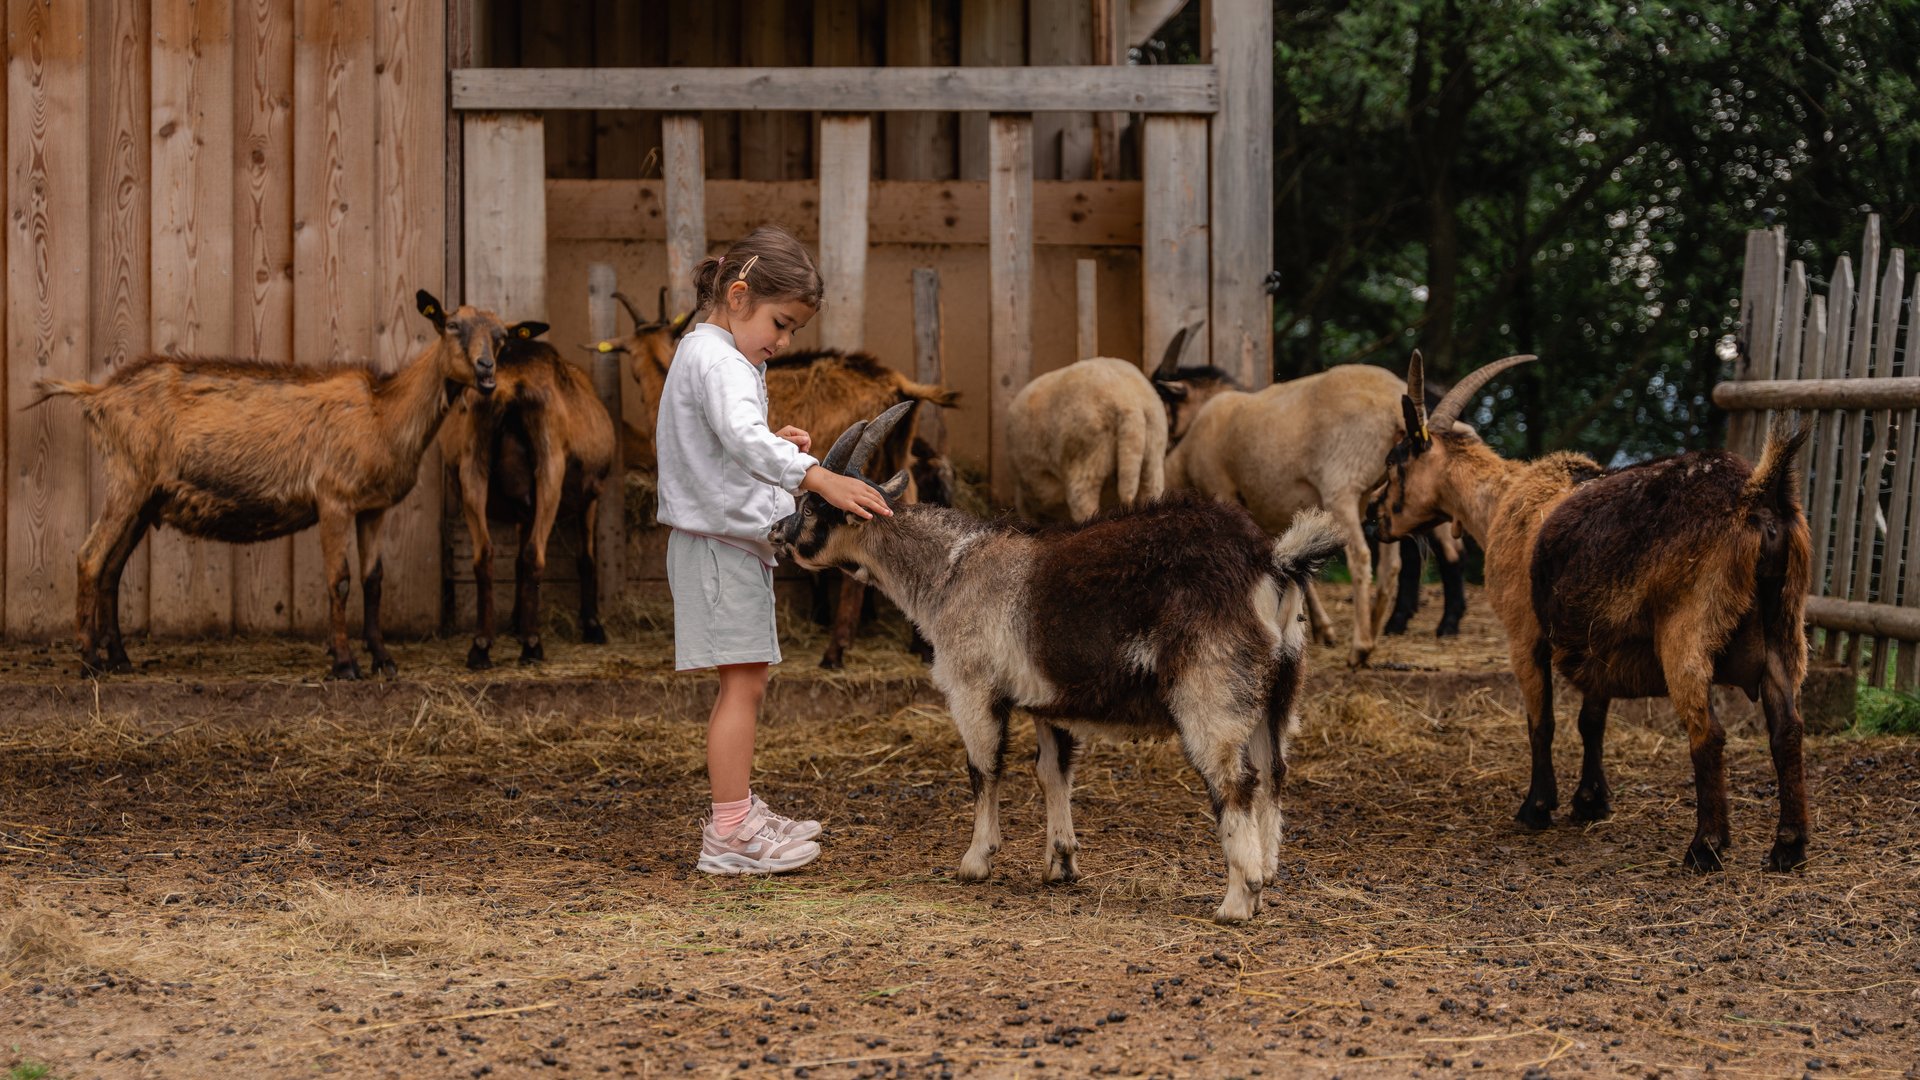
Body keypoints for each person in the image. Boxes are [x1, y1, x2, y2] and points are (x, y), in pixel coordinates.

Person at [654, 225, 894, 874]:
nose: (784, 342)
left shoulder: (716, 355)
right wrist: (814, 474)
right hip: (717, 548)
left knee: (748, 683)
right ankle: (730, 834)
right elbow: (737, 435)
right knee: (742, 689)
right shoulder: (719, 361)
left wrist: (773, 443)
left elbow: (728, 441)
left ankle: (738, 813)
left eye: (793, 331)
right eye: (781, 324)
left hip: (727, 544)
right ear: (738, 297)